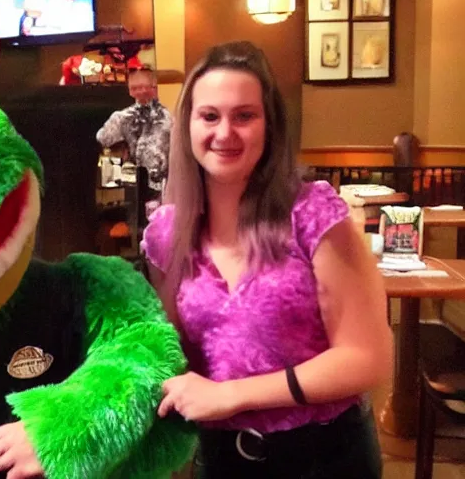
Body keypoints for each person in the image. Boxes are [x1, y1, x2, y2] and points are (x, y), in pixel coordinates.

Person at [142, 41, 392, 478]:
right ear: (187, 126)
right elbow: (167, 353)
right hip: (221, 459)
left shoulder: (313, 214)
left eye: (244, 116)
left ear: (269, 125)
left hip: (325, 458)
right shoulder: (166, 233)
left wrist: (233, 395)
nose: (225, 133)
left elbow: (365, 357)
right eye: (209, 116)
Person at [96, 67, 171, 198]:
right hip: (132, 183)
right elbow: (103, 138)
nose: (140, 91)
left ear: (154, 87)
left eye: (143, 87)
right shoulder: (122, 117)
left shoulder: (169, 119)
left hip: (163, 184)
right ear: (130, 91)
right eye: (135, 88)